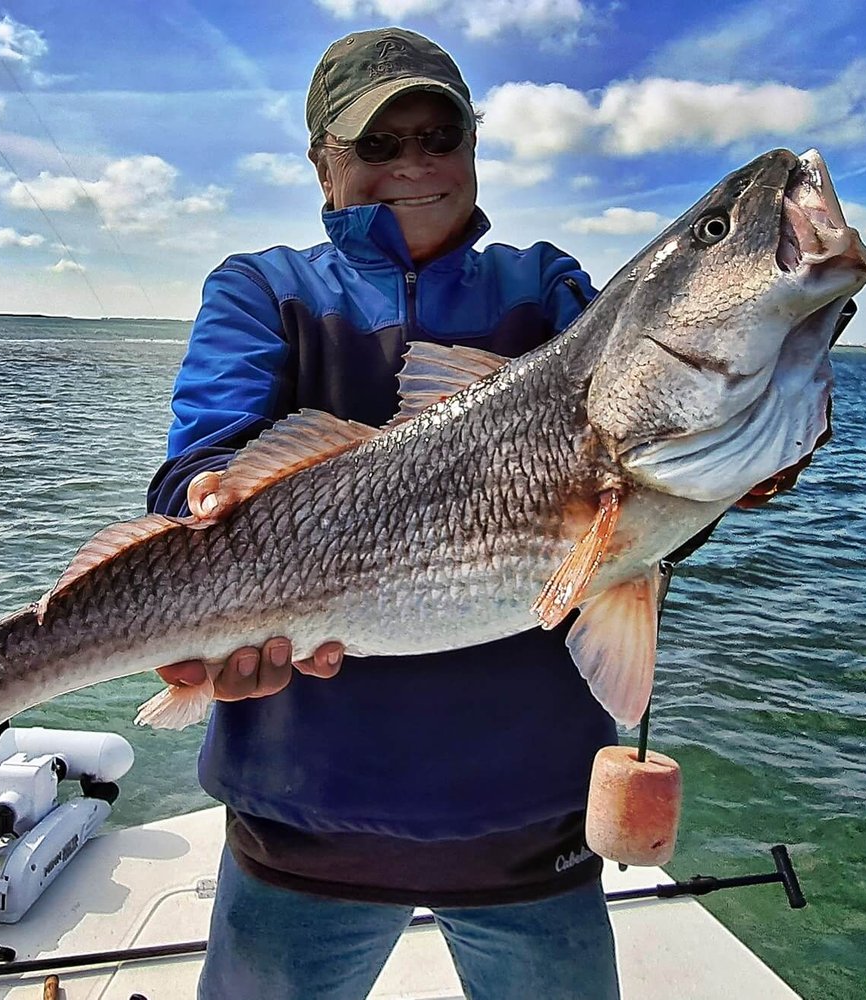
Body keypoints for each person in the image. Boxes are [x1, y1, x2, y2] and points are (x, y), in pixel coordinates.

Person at [145, 26, 622, 1000]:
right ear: (321, 160)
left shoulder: (546, 290)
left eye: (435, 135)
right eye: (375, 143)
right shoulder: (264, 288)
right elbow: (197, 461)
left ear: (472, 149)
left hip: (527, 823)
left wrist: (762, 459)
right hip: (299, 818)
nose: (412, 165)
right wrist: (208, 507)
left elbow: (637, 471)